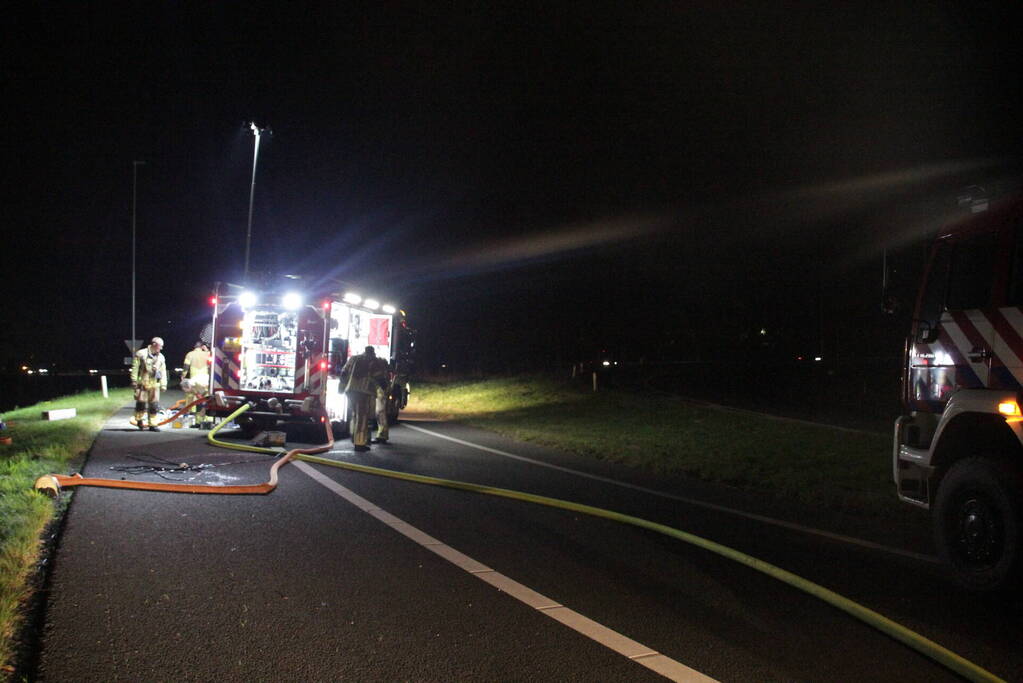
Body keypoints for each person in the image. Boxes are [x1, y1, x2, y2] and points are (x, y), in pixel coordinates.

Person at [340, 346, 377, 451]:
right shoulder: (372, 361)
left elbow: (343, 372)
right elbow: (378, 377)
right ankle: (359, 443)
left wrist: (342, 387)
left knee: (354, 415)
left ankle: (353, 435)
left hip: (350, 391)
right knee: (362, 418)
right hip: (363, 392)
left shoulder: (353, 358)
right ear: (372, 353)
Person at [131, 337, 168, 431]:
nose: (161, 348)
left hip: (155, 385)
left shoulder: (161, 357)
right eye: (160, 346)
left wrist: (163, 384)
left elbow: (163, 372)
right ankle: (139, 420)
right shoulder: (141, 354)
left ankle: (153, 424)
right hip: (143, 383)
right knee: (141, 404)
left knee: (154, 405)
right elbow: (135, 368)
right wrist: (134, 380)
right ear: (154, 344)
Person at [181, 341, 211, 426]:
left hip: (194, 379)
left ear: (194, 347)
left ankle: (194, 419)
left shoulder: (190, 354)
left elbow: (186, 366)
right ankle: (207, 420)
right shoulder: (207, 354)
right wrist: (206, 350)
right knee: (206, 399)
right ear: (202, 347)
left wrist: (183, 375)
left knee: (194, 399)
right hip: (205, 379)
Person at [370, 354, 392, 444]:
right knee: (380, 414)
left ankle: (382, 436)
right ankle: (382, 435)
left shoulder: (380, 374)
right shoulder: (382, 372)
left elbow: (380, 384)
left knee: (380, 413)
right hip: (381, 393)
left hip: (381, 393)